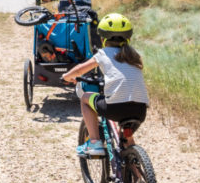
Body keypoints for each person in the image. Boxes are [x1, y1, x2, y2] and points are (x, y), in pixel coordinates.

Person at [61, 12, 149, 156]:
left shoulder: (103, 53)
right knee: (127, 140)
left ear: (102, 38)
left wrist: (66, 76)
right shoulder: (134, 54)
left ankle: (95, 143)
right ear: (129, 37)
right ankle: (139, 174)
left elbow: (80, 69)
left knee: (85, 98)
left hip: (115, 108)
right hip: (140, 110)